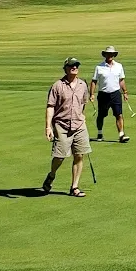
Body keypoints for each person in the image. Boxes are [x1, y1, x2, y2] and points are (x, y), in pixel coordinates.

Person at [42, 57, 92, 197]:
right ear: (65, 68)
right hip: (61, 125)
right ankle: (51, 175)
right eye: (71, 65)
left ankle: (74, 187)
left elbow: (83, 103)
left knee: (79, 155)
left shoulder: (83, 85)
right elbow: (50, 106)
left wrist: (81, 117)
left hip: (79, 125)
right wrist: (48, 127)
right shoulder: (57, 86)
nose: (74, 67)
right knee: (60, 156)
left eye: (76, 65)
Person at [89, 46, 130, 143]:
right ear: (105, 55)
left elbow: (121, 80)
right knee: (101, 115)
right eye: (108, 54)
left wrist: (125, 92)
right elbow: (94, 81)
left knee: (118, 114)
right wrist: (92, 94)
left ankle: (121, 134)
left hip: (115, 93)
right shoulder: (99, 67)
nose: (110, 55)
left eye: (112, 54)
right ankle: (100, 133)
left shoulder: (119, 66)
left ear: (114, 55)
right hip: (103, 94)